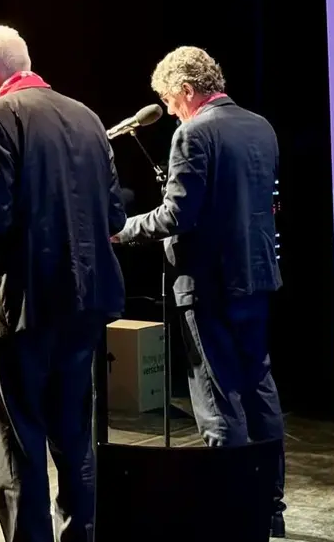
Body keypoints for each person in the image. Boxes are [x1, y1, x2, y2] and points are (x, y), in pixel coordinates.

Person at [0, 25, 126, 542]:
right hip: (85, 301)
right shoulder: (87, 117)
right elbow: (115, 214)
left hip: (21, 305)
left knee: (19, 442)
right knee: (73, 434)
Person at [112, 46, 285, 536]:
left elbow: (177, 216)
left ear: (187, 90)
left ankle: (230, 513)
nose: (168, 110)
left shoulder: (194, 133)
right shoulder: (261, 125)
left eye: (169, 100)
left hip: (209, 284)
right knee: (259, 387)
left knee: (217, 395)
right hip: (257, 277)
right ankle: (270, 508)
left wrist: (122, 230)